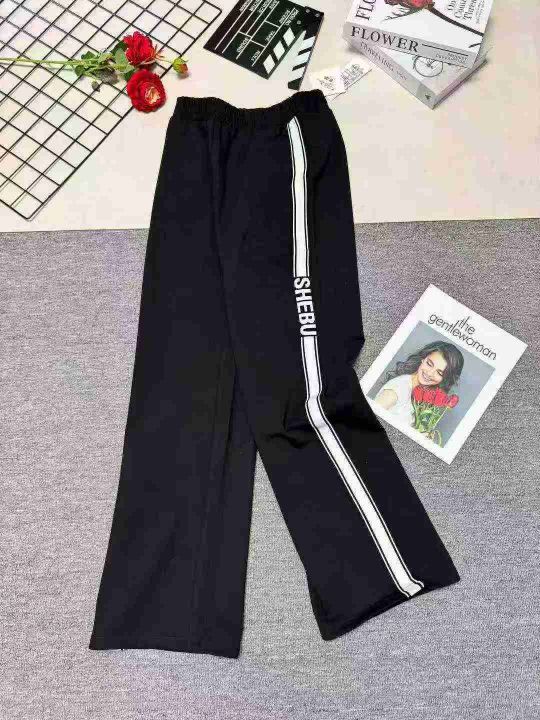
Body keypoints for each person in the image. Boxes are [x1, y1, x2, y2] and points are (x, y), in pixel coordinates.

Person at [375, 341, 464, 426]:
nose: (430, 373)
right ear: (423, 358)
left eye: (439, 373)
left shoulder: (426, 397)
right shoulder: (396, 390)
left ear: (445, 379)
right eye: (429, 364)